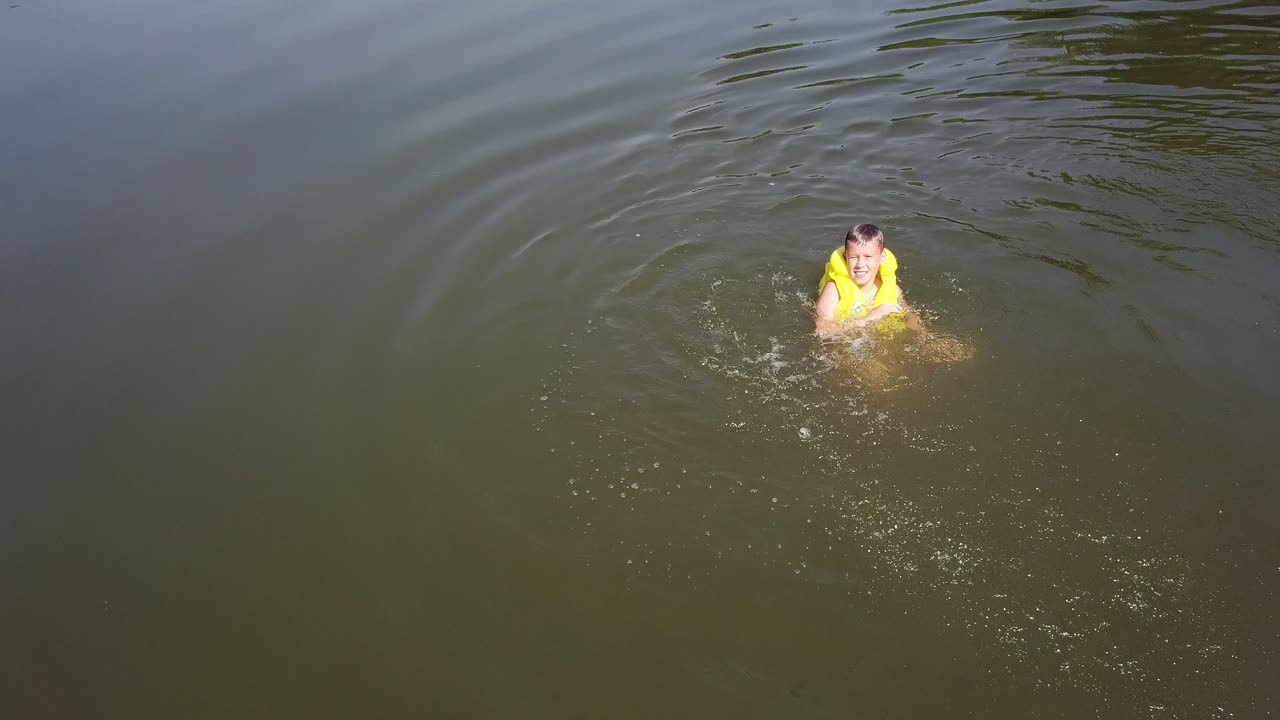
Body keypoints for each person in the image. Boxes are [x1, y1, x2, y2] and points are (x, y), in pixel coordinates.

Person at [814, 223, 905, 337]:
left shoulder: (894, 291)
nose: (860, 264)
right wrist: (869, 318)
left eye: (868, 257)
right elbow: (823, 331)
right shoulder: (834, 290)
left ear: (882, 258)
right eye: (854, 257)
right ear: (845, 257)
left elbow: (910, 317)